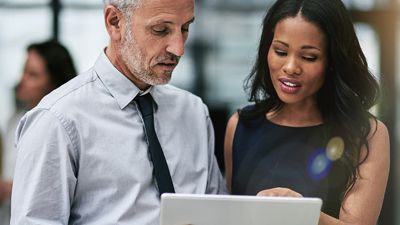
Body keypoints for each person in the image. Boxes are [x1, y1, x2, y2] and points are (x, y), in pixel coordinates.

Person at [11, 0, 226, 224]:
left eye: (185, 28)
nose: (178, 48)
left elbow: (215, 213)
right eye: (161, 30)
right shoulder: (57, 120)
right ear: (115, 23)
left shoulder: (194, 113)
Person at [224, 0, 390, 225]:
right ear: (266, 50)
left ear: (333, 61)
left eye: (309, 57)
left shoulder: (367, 133)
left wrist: (301, 211)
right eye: (281, 51)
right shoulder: (240, 125)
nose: (291, 67)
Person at [0, 40, 76, 225]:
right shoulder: (14, 120)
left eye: (32, 75)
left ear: (55, 83)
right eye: (24, 71)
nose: (22, 81)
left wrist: (11, 188)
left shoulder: (65, 128)